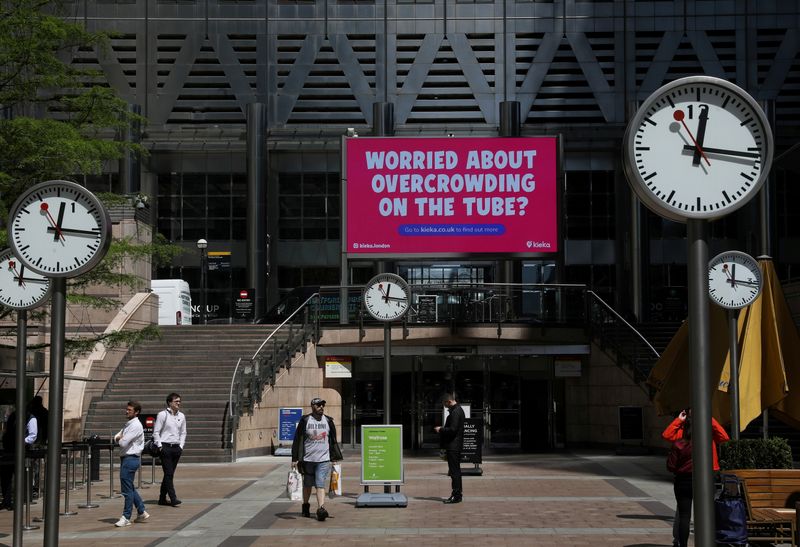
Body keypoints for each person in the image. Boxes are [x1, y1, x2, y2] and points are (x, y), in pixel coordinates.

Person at [662, 408, 730, 547]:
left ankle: (683, 544)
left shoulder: (682, 436)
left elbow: (667, 435)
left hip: (684, 479)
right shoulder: (707, 434)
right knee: (705, 513)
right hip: (705, 478)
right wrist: (709, 418)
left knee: (684, 515)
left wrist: (678, 420)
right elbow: (724, 437)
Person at [291, 397, 343, 521]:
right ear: (312, 406)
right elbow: (297, 440)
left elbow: (332, 440)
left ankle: (321, 509)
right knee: (308, 485)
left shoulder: (328, 421)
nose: (321, 407)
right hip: (307, 459)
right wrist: (294, 458)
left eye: (322, 405)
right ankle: (305, 506)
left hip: (323, 460)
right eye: (318, 405)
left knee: (320, 483)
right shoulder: (305, 420)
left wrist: (334, 457)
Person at [113, 401, 149, 527]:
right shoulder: (128, 424)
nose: (126, 411)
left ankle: (126, 516)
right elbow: (117, 436)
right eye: (126, 409)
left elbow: (122, 443)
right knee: (130, 487)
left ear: (136, 412)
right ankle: (141, 511)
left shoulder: (135, 425)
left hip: (130, 458)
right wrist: (119, 437)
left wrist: (120, 438)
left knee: (126, 490)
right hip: (127, 458)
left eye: (129, 410)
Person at [153, 392, 186, 506]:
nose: (178, 403)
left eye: (179, 401)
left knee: (169, 474)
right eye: (176, 401)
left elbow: (183, 432)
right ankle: (173, 498)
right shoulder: (162, 415)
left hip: (176, 448)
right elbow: (156, 432)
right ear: (169, 402)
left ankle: (162, 498)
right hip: (165, 447)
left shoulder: (181, 416)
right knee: (169, 473)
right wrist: (160, 446)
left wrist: (181, 446)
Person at [434, 393, 465, 504]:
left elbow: (453, 430)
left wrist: (440, 429)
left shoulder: (456, 412)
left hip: (453, 446)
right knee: (455, 470)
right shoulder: (457, 410)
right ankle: (457, 494)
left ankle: (456, 495)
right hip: (454, 445)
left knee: (454, 471)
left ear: (449, 401)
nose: (444, 406)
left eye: (444, 403)